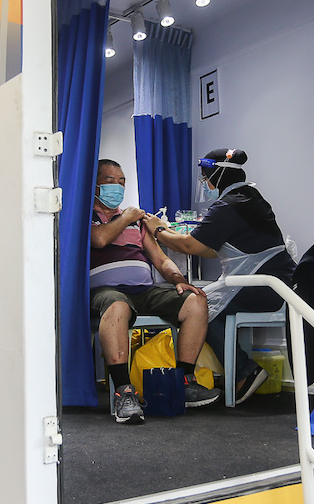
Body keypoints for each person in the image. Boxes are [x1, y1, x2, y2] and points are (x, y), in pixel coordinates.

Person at [143, 148, 296, 405]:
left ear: (218, 176)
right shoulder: (250, 198)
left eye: (206, 178)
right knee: (205, 303)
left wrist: (158, 231)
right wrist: (171, 234)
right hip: (275, 282)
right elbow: (211, 249)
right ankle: (239, 371)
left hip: (262, 286)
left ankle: (245, 372)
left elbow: (192, 247)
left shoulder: (229, 205)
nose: (206, 184)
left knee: (202, 308)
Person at [91, 159, 220, 424]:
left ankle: (184, 380)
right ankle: (124, 392)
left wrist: (179, 280)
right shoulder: (86, 217)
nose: (118, 186)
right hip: (107, 293)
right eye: (110, 181)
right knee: (117, 307)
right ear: (95, 185)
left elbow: (161, 260)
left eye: (122, 181)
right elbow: (99, 240)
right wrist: (125, 216)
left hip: (145, 290)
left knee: (195, 300)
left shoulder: (138, 224)